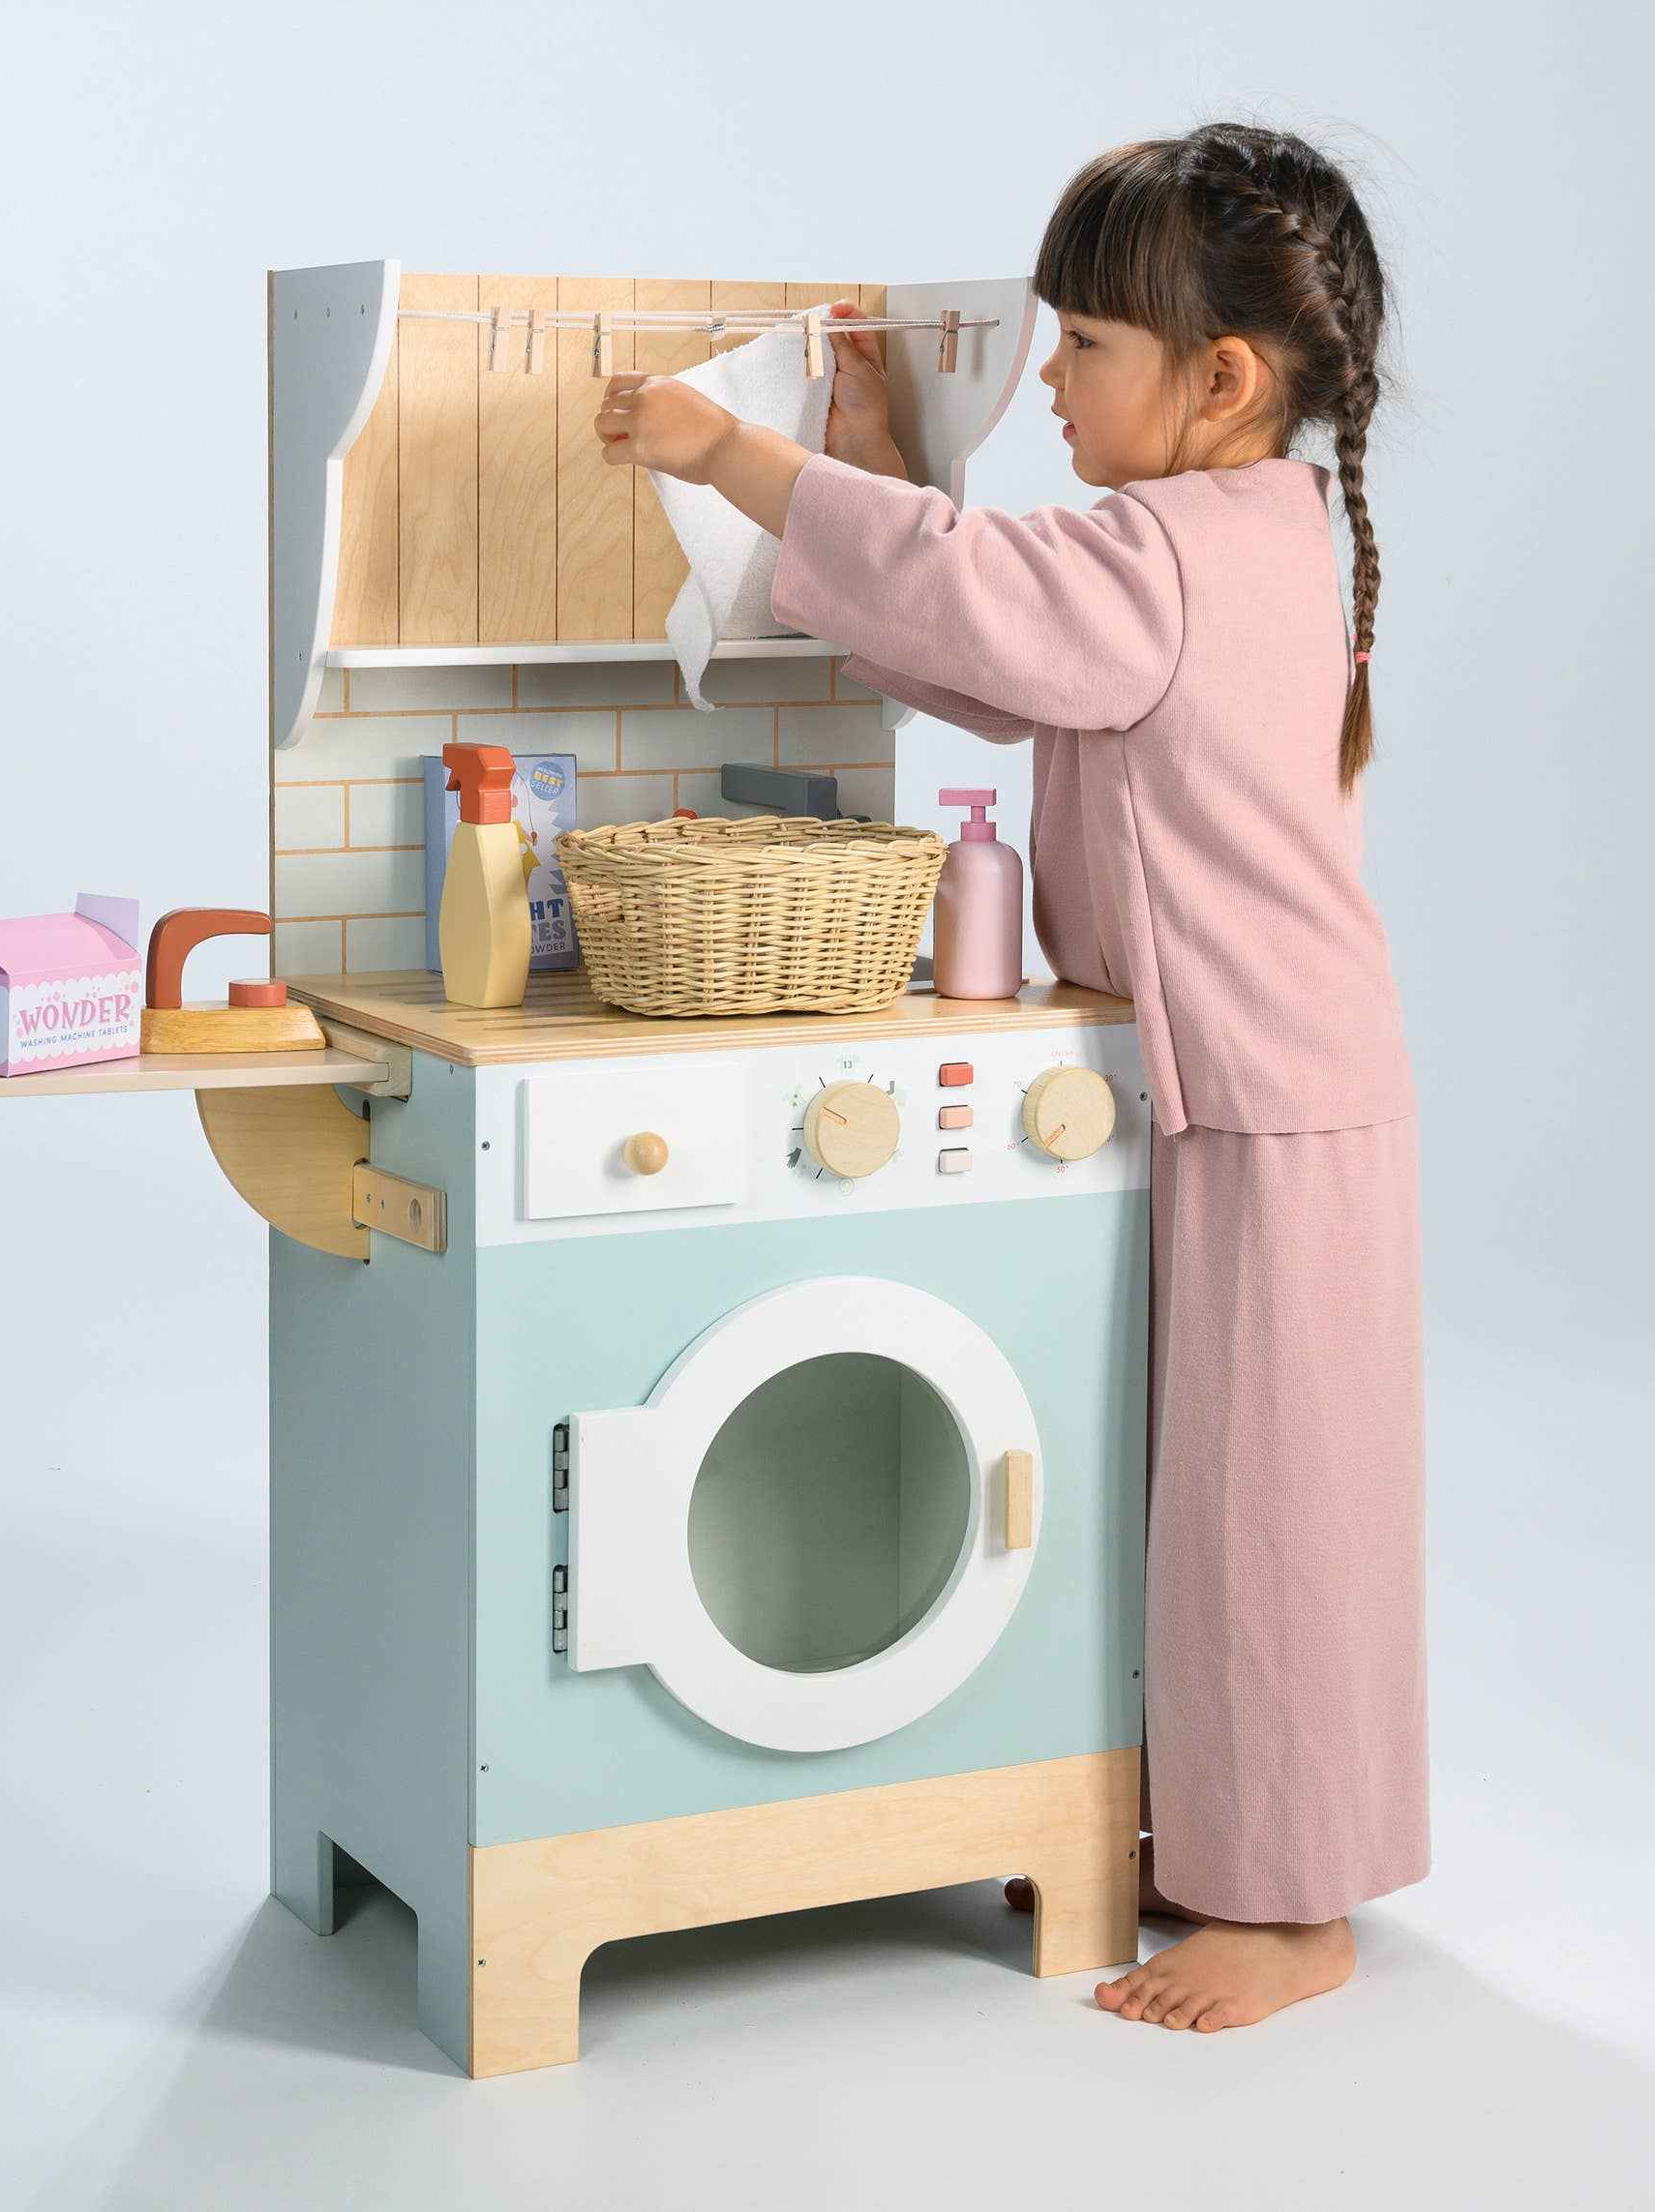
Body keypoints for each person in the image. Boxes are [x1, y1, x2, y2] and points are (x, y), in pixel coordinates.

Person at [593, 121, 1429, 2034]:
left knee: (1269, 1513)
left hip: (1269, 1091)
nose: (1048, 380)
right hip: (1261, 1080)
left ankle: (1289, 1904)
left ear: (1222, 380)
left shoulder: (1172, 548)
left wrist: (736, 454)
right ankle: (1225, 1829)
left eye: (1085, 347)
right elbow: (986, 643)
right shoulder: (1239, 534)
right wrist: (876, 468)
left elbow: (980, 600)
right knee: (1218, 1494)